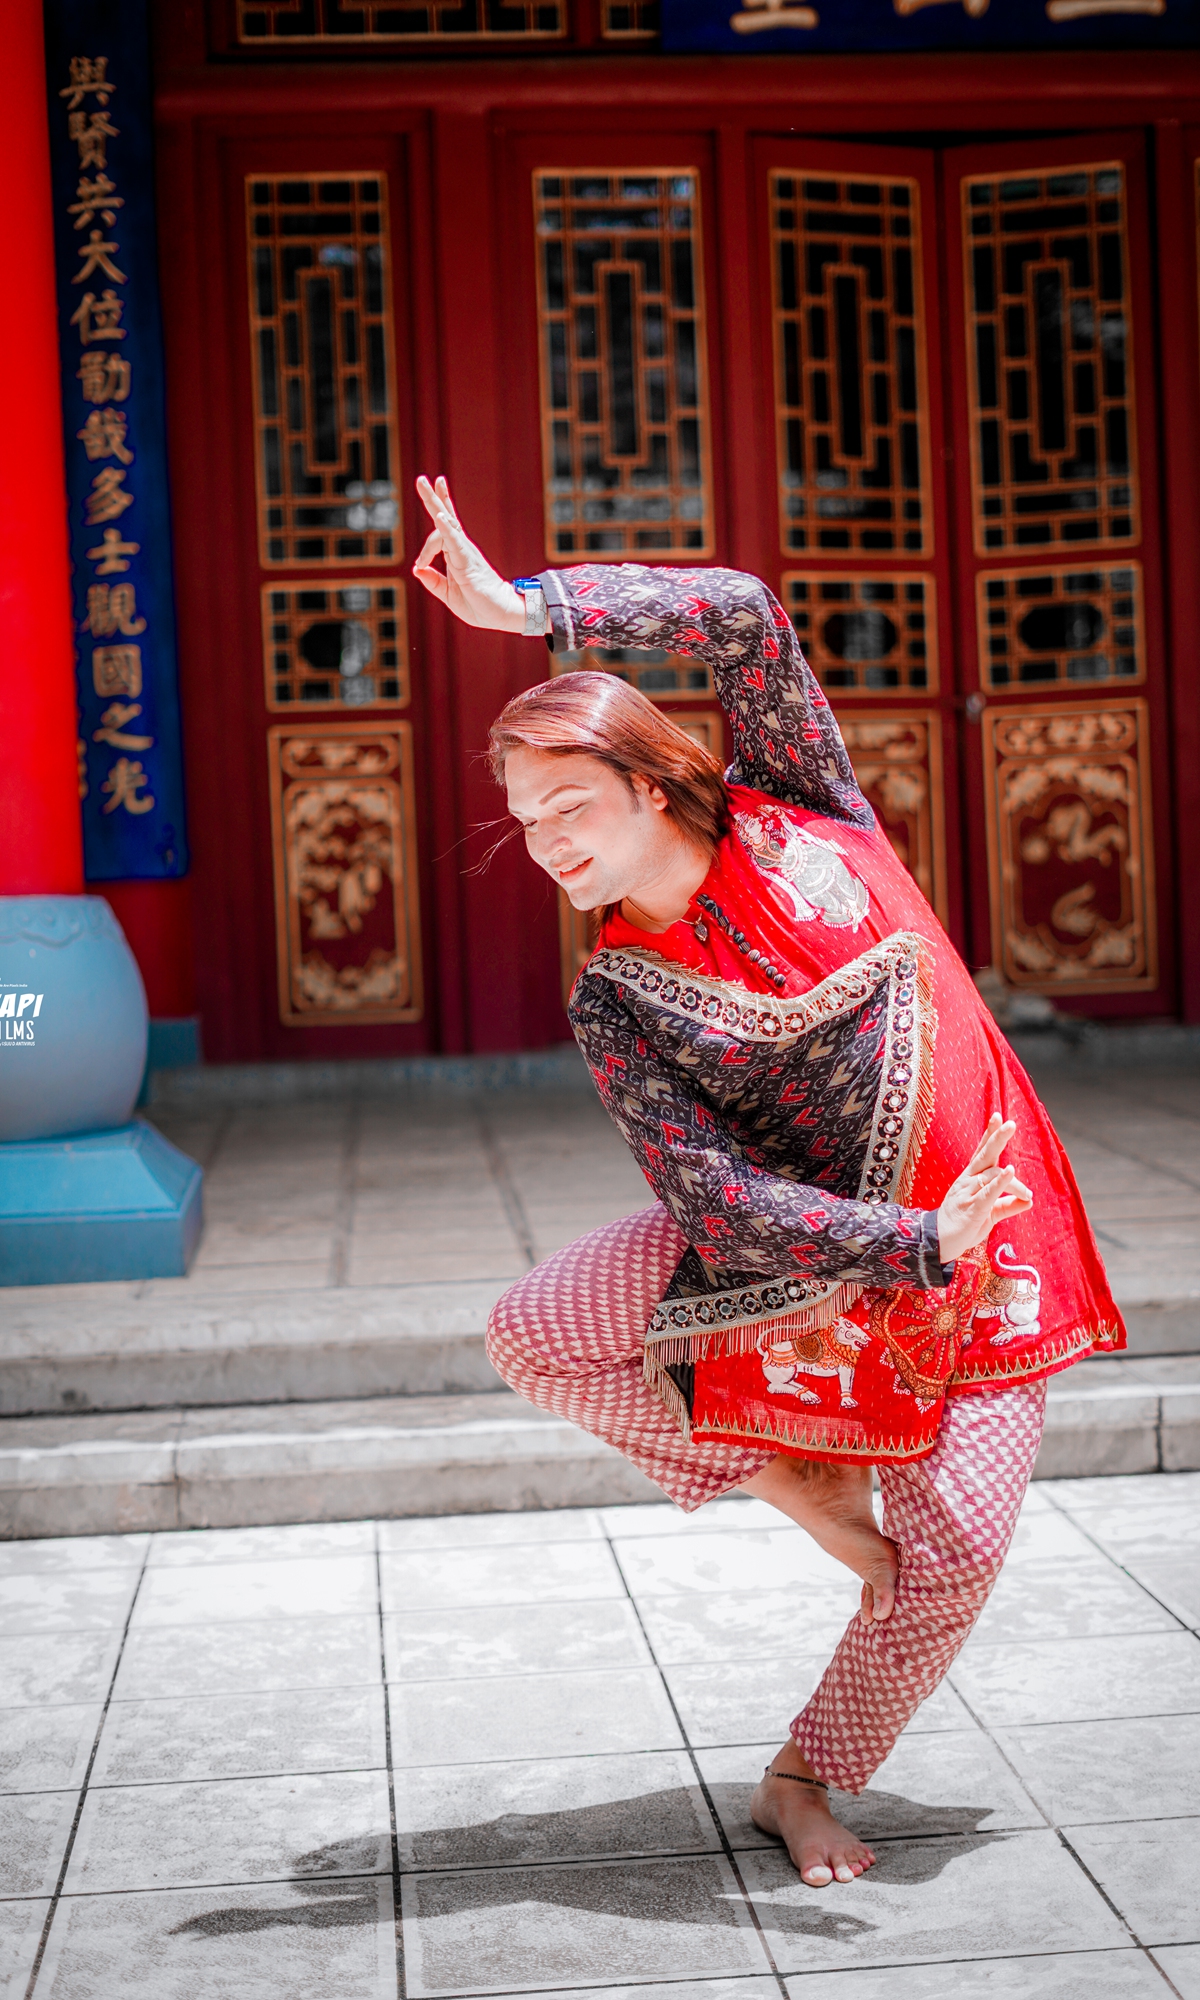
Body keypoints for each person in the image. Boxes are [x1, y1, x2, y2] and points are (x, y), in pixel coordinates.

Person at [412, 473, 1124, 1890]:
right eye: (521, 816)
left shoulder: (795, 799)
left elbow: (740, 615)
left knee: (958, 1548)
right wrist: (893, 1244)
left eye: (566, 801)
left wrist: (530, 611)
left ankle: (806, 1776)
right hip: (817, 1247)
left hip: (991, 1233)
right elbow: (713, 1204)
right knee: (534, 1332)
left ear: (650, 778)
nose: (544, 837)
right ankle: (786, 1474)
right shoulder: (617, 993)